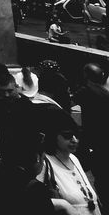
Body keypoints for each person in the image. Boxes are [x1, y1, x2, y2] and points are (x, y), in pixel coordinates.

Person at [44, 120, 100, 214]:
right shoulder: (46, 162)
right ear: (54, 136)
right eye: (67, 136)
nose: (75, 140)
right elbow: (38, 200)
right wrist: (63, 205)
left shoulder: (73, 158)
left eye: (76, 135)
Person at [72, 62, 109, 191]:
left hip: (94, 140)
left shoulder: (85, 92)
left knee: (99, 176)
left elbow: (70, 103)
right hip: (104, 139)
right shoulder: (105, 93)